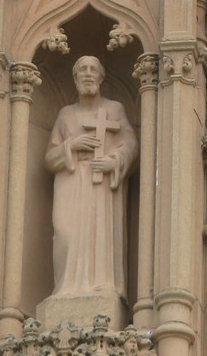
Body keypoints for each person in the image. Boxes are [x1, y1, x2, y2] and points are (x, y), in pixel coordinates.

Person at [45, 55, 138, 298]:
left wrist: (114, 160)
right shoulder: (66, 115)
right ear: (75, 79)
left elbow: (130, 144)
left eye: (92, 70)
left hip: (102, 181)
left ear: (101, 76)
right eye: (82, 70)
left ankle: (103, 287)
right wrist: (72, 145)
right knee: (65, 234)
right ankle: (65, 288)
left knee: (100, 233)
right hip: (71, 180)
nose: (87, 74)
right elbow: (49, 156)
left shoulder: (113, 109)